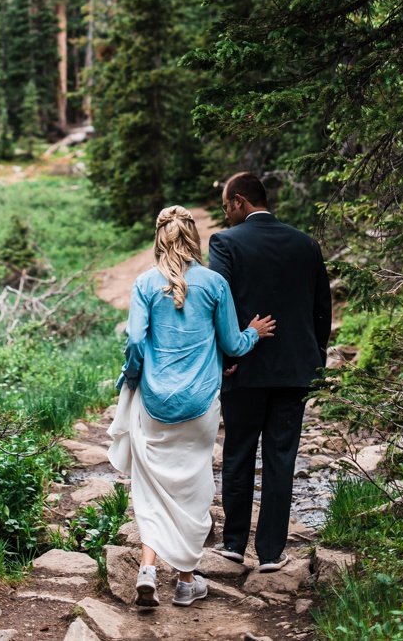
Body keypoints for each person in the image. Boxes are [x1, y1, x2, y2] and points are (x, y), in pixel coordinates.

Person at [109, 205, 276, 609]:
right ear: (193, 238)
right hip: (201, 405)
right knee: (194, 489)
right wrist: (253, 333)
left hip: (155, 403)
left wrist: (134, 376)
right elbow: (232, 345)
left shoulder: (146, 284)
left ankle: (148, 569)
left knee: (150, 490)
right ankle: (186, 582)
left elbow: (134, 341)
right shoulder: (214, 283)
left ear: (158, 238)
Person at [207, 171, 332, 572]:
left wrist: (226, 356)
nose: (226, 214)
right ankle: (272, 553)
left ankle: (233, 544)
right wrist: (316, 356)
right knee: (282, 457)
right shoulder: (305, 243)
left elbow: (219, 304)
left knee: (239, 452)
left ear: (240, 201)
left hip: (244, 366)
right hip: (296, 369)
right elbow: (321, 310)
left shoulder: (225, 243)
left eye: (227, 206)